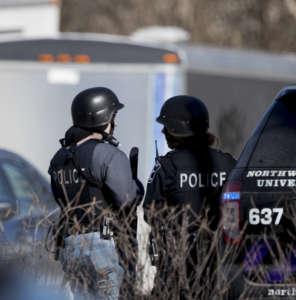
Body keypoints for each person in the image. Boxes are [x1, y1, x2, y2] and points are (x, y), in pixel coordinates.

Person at [48, 87, 143, 300]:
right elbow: (127, 199)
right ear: (100, 117)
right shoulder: (107, 154)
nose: (115, 123)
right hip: (103, 246)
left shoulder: (58, 158)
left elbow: (60, 199)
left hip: (70, 246)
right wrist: (138, 187)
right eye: (113, 116)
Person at [142, 95, 237, 298]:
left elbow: (150, 213)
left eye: (166, 126)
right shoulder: (228, 163)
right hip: (220, 259)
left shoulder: (167, 166)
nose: (163, 131)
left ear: (175, 130)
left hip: (177, 262)